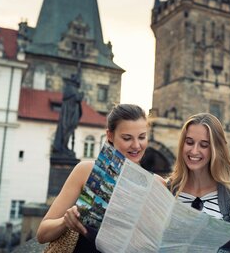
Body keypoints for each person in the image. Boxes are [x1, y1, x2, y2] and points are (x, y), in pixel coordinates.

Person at [37, 104, 159, 252]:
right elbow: (42, 234)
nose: (136, 145)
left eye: (142, 137)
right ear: (110, 136)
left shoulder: (155, 183)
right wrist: (66, 221)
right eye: (127, 138)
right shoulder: (86, 171)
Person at [168, 113, 230, 228]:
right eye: (189, 142)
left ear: (216, 150)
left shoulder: (229, 194)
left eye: (204, 145)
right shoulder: (167, 190)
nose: (194, 151)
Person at [53, 73, 84, 157]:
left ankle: (64, 147)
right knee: (67, 131)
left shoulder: (70, 89)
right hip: (69, 115)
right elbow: (77, 98)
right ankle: (63, 147)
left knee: (68, 131)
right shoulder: (71, 89)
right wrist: (81, 94)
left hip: (71, 114)